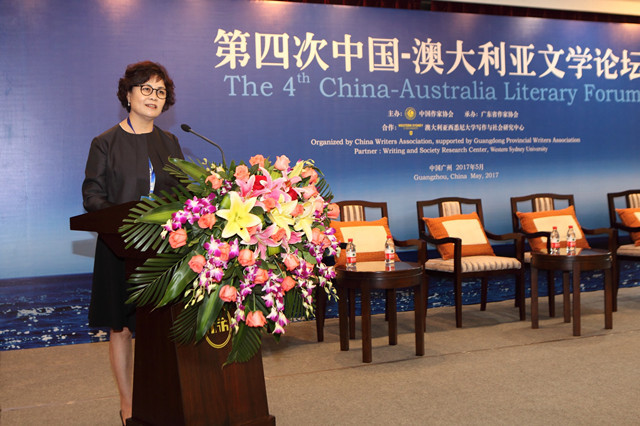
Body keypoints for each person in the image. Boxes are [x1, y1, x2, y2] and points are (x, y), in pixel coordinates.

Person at [82, 61, 184, 424]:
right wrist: (125, 220)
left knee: (163, 326)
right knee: (121, 328)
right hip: (119, 246)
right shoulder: (105, 142)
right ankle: (128, 404)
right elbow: (92, 196)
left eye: (161, 91)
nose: (154, 97)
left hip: (164, 249)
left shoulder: (169, 142)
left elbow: (182, 193)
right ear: (128, 94)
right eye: (146, 89)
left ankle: (165, 396)